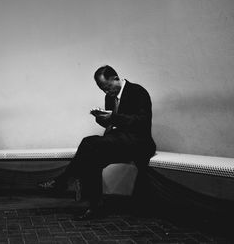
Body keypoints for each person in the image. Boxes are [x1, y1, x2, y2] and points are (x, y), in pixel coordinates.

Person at [39, 65, 156, 220]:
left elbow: (143, 121)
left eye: (107, 88)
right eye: (103, 90)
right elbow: (112, 124)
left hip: (139, 142)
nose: (106, 93)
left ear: (115, 78)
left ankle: (63, 180)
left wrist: (113, 117)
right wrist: (101, 119)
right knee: (92, 158)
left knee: (88, 142)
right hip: (119, 141)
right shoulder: (109, 97)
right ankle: (95, 207)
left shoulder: (137, 91)